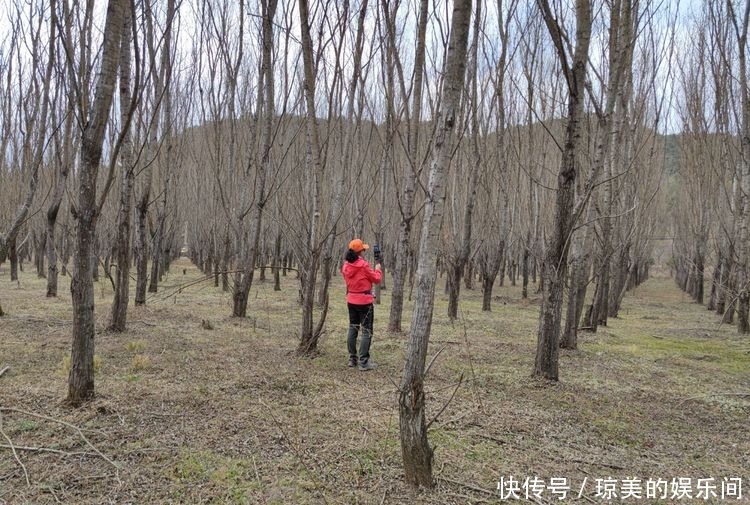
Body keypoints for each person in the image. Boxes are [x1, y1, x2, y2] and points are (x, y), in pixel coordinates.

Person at [341, 238, 382, 371]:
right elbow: (376, 279)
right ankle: (363, 362)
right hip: (364, 302)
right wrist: (378, 269)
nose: (365, 251)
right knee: (367, 330)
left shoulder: (346, 266)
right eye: (363, 250)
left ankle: (352, 359)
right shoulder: (363, 265)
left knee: (353, 327)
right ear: (360, 252)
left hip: (351, 300)